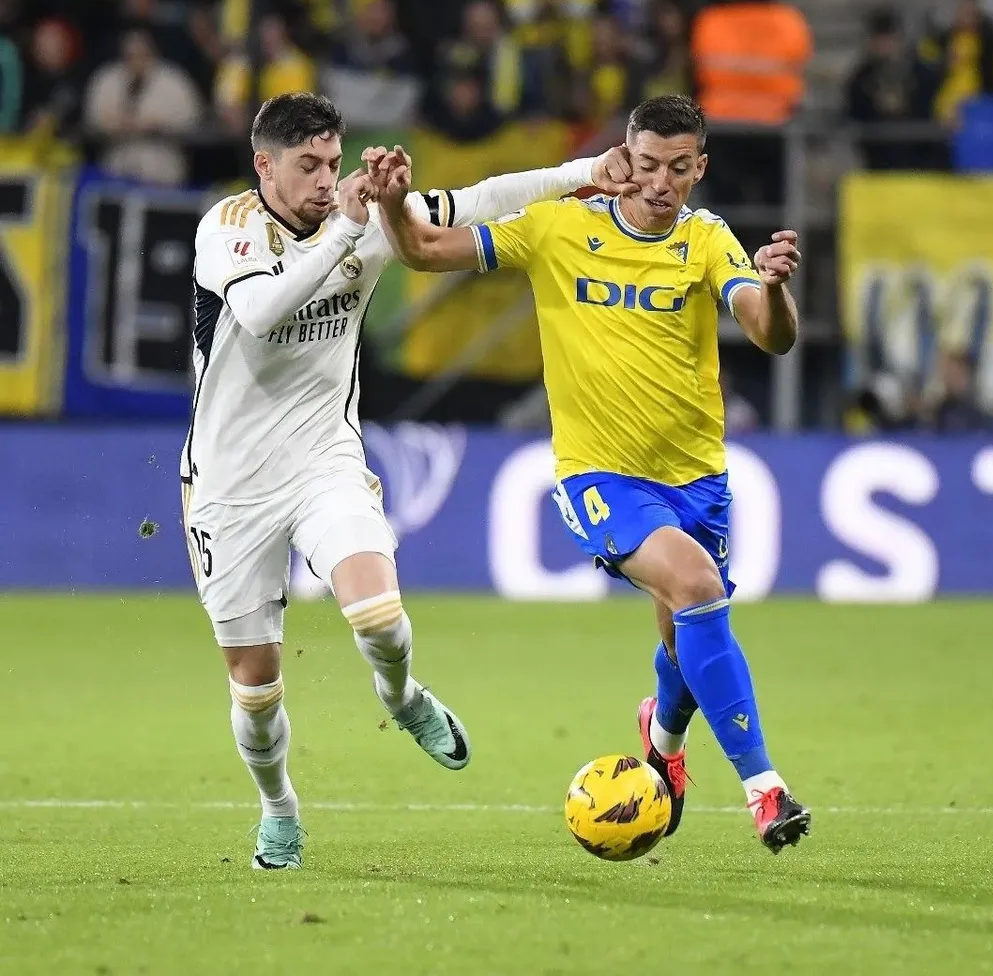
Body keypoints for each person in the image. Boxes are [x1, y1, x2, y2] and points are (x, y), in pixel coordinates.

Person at [182, 90, 634, 869]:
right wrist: (354, 231)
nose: (327, 181)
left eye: (333, 163)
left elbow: (481, 198)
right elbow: (261, 313)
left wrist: (587, 169)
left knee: (380, 618)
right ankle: (279, 808)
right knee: (256, 693)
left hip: (325, 460)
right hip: (227, 486)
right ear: (264, 165)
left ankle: (403, 698)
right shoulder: (228, 230)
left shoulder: (366, 212)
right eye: (307, 165)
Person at [373, 94, 811, 854]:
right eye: (647, 164)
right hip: (600, 475)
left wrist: (772, 287)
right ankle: (764, 790)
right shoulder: (559, 226)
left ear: (698, 169)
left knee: (684, 632)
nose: (660, 182)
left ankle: (664, 745)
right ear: (625, 157)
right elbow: (423, 251)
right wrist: (390, 205)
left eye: (679, 168)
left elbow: (769, 336)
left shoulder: (707, 240)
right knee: (700, 587)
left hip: (698, 477)